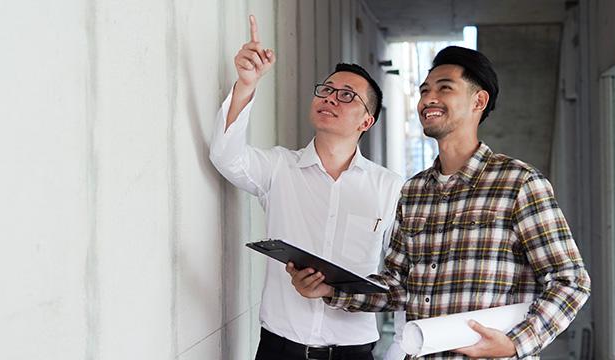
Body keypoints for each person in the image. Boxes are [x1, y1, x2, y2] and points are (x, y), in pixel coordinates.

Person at [287, 46, 591, 359]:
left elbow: (571, 281)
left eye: (444, 88)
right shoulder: (414, 192)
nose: (428, 99)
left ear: (479, 101)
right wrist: (332, 290)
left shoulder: (519, 183)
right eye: (424, 90)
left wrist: (517, 342)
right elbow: (398, 287)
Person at [209, 15, 404, 360]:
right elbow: (226, 156)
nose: (330, 98)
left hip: (353, 353)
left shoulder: (390, 188)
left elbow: (400, 279)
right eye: (326, 90)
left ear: (366, 121)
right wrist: (246, 85)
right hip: (279, 349)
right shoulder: (280, 168)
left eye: (346, 95)